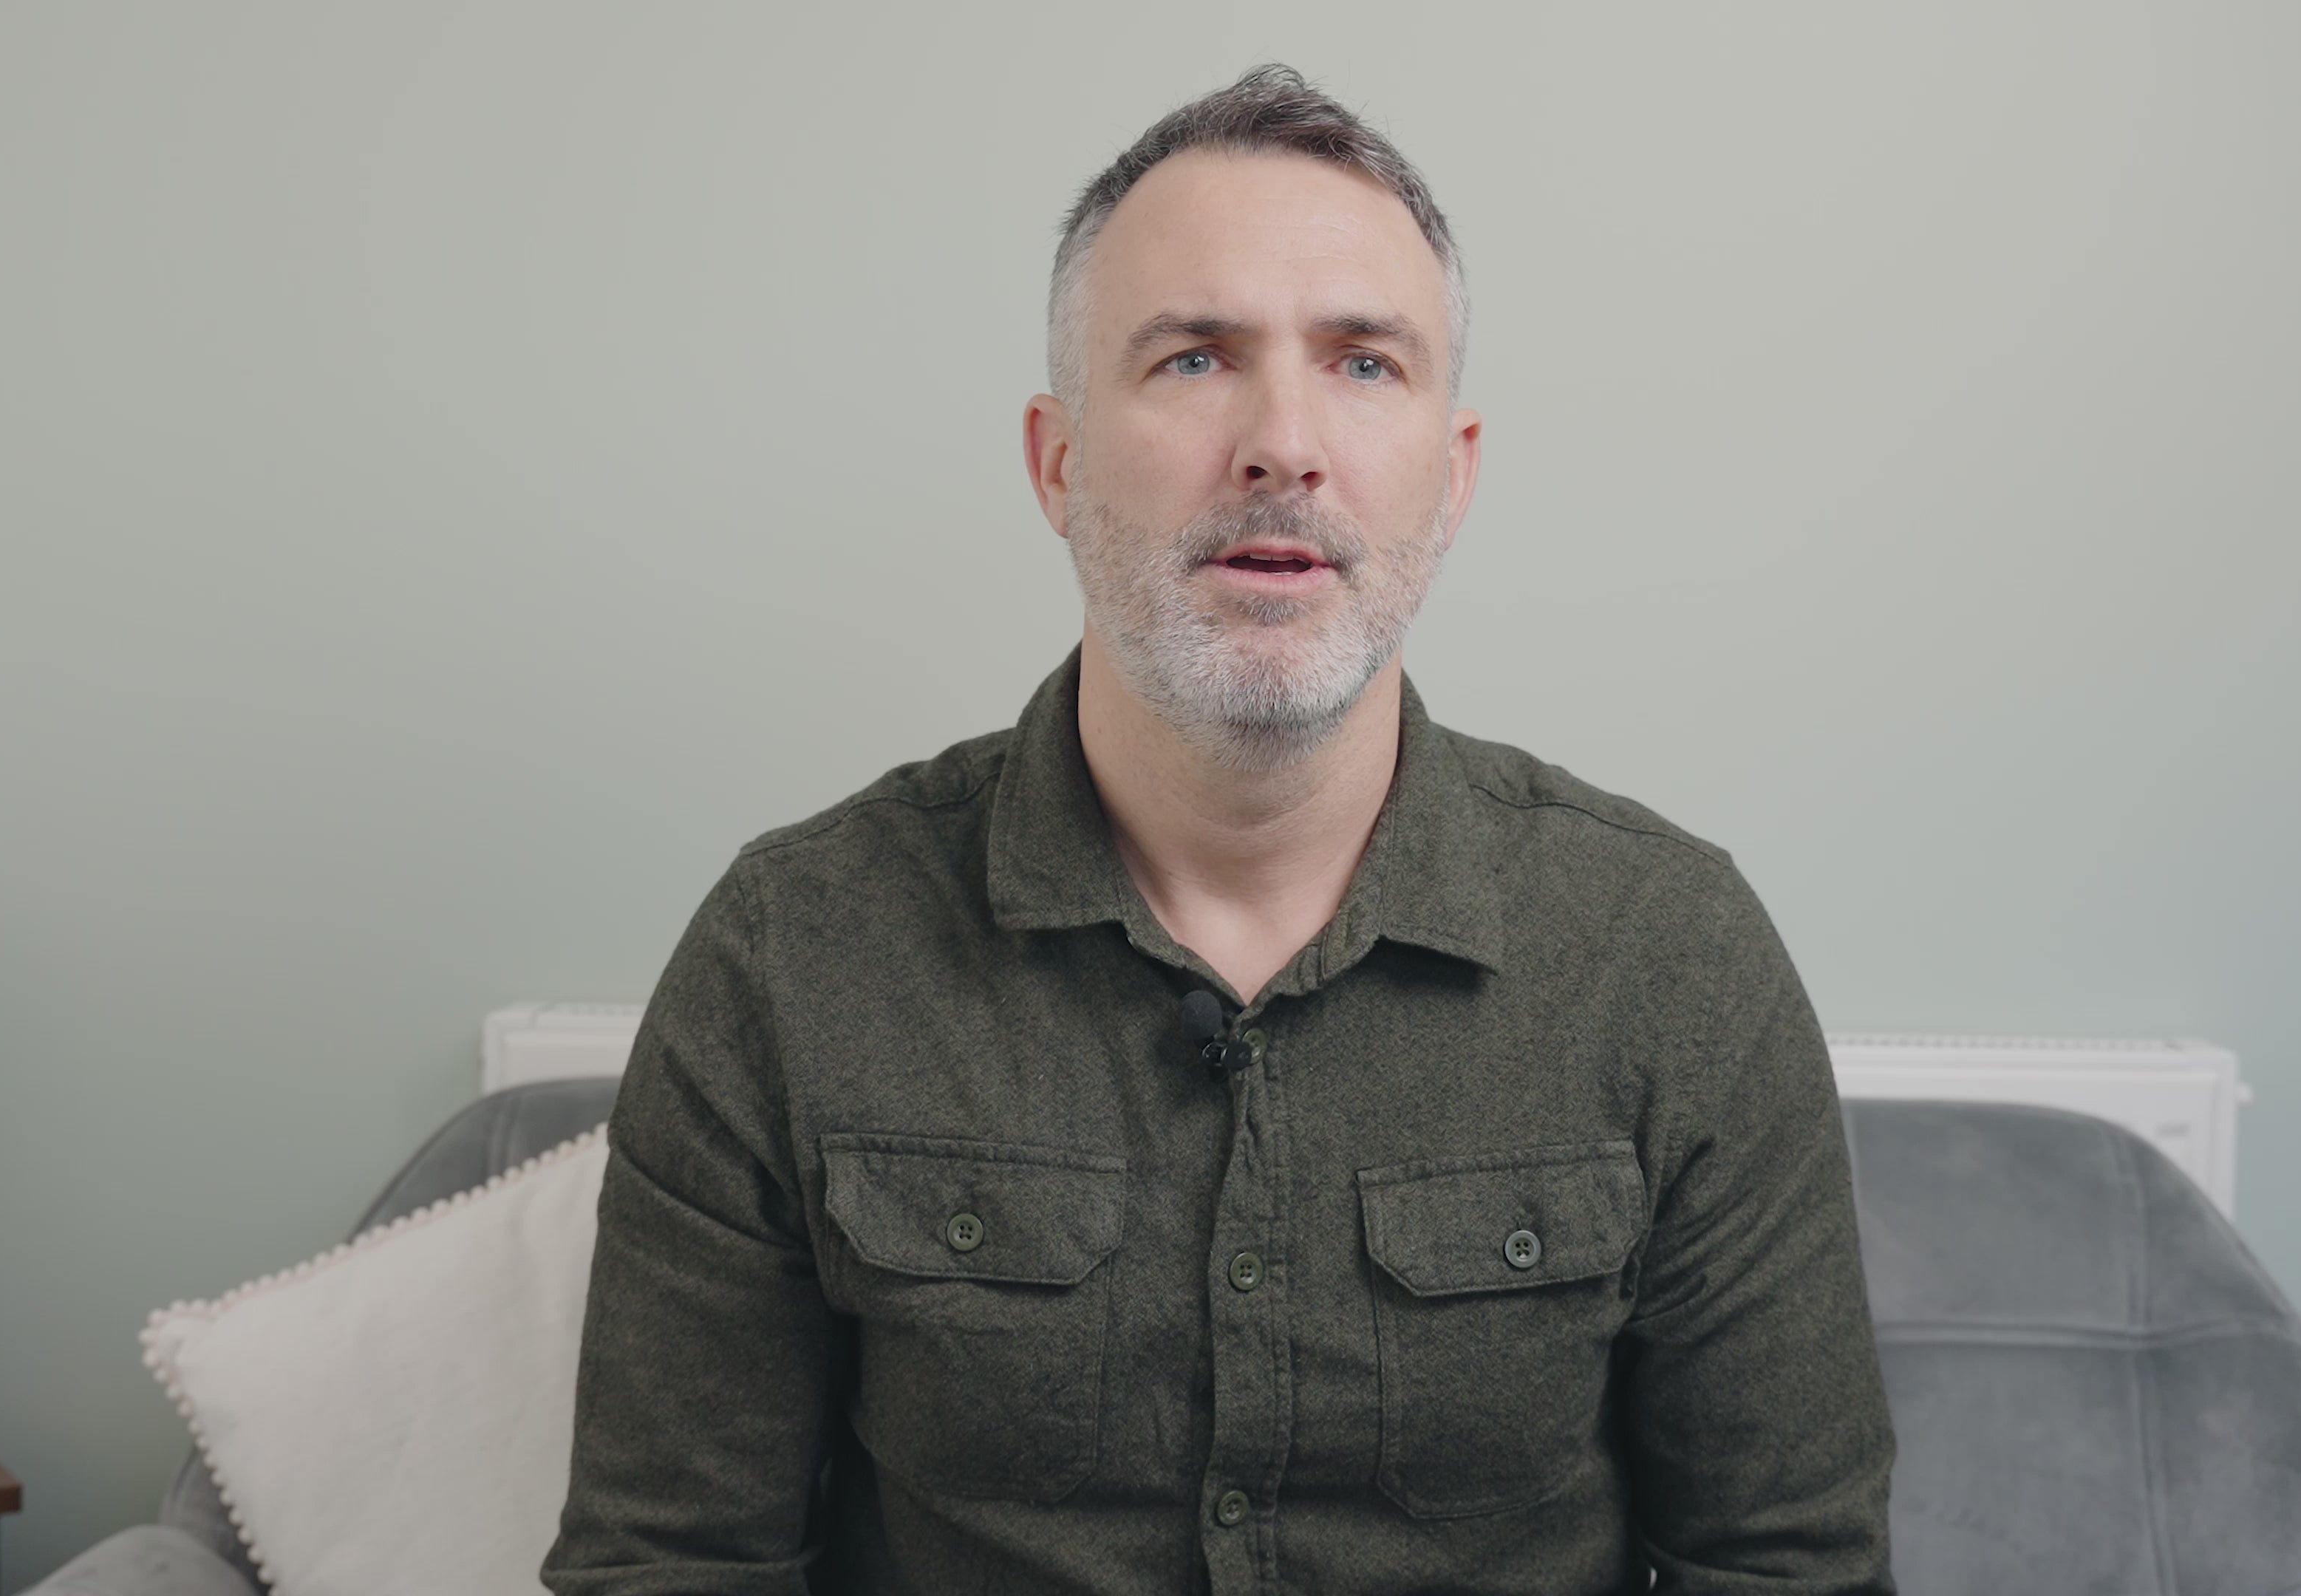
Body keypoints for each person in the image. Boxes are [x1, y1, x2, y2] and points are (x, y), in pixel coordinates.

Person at [541, 64, 1895, 1596]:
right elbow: (669, 1565)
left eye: (1364, 363)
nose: (1281, 445)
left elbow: (1786, 1569)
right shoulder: (793, 951)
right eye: (1194, 359)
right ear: (1058, 463)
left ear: (1452, 479)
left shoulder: (1673, 958)